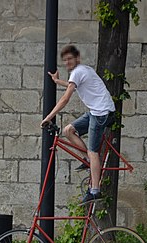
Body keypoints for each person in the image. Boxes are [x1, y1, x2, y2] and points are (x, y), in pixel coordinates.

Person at [40, 45, 115, 203]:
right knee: (69, 131)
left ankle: (95, 190)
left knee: (93, 151)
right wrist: (56, 80)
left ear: (77, 59)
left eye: (70, 59)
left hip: (101, 113)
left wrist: (49, 117)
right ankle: (87, 160)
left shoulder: (78, 71)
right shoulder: (80, 72)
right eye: (65, 60)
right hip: (96, 111)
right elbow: (70, 86)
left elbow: (65, 98)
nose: (67, 62)